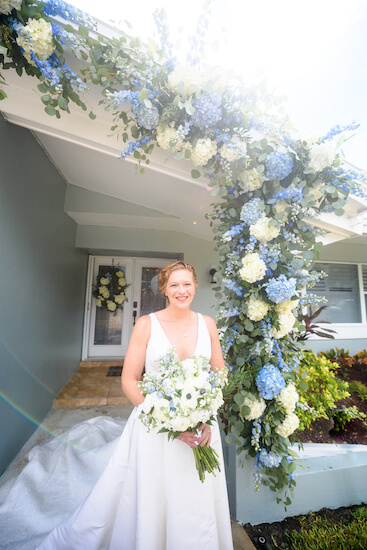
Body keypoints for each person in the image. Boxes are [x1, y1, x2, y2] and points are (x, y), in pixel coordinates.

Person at [37, 261, 233, 550]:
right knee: (155, 496)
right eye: (174, 285)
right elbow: (129, 380)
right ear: (164, 289)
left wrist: (203, 417)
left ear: (195, 286)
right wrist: (168, 421)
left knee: (195, 494)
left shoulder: (208, 324)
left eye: (187, 284)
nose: (182, 290)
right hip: (155, 429)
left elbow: (219, 374)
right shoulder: (146, 324)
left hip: (201, 428)